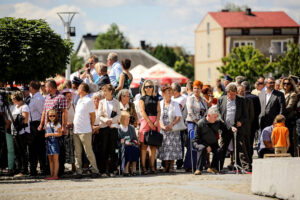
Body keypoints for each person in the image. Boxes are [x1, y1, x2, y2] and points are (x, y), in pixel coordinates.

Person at [217, 83, 251, 172]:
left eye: (233, 94)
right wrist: (227, 125)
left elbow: (245, 115)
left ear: (236, 93)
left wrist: (241, 122)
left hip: (237, 127)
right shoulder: (221, 99)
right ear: (227, 92)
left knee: (241, 147)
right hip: (225, 127)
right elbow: (219, 114)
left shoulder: (241, 100)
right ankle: (218, 167)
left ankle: (246, 167)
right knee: (223, 148)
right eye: (230, 94)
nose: (231, 96)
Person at [38, 79, 68, 176]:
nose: (45, 88)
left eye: (46, 87)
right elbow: (44, 111)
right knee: (50, 150)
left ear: (50, 88)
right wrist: (41, 124)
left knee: (59, 150)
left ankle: (59, 172)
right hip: (48, 127)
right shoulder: (47, 97)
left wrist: (63, 126)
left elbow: (64, 112)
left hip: (57, 127)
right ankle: (51, 172)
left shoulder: (61, 97)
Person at [73, 83, 99, 179]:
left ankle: (95, 170)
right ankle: (78, 171)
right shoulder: (79, 100)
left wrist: (91, 125)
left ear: (83, 90)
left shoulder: (88, 101)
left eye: (79, 87)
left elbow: (93, 115)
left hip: (85, 130)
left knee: (88, 151)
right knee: (77, 152)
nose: (77, 88)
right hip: (76, 130)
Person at [193, 106, 228, 175]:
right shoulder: (200, 123)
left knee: (219, 150)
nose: (216, 118)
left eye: (217, 117)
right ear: (208, 115)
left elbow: (226, 128)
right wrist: (206, 146)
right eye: (215, 117)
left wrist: (232, 128)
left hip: (213, 143)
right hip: (200, 143)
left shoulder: (217, 122)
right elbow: (197, 138)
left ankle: (212, 168)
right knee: (202, 148)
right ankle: (198, 169)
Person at [98, 84, 121, 177]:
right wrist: (105, 120)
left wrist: (111, 120)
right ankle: (103, 170)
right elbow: (99, 115)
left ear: (111, 92)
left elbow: (119, 115)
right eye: (103, 91)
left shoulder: (116, 102)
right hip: (104, 128)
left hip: (113, 128)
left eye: (105, 91)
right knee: (103, 150)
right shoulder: (101, 102)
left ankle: (112, 170)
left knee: (113, 150)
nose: (104, 93)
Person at [184, 80, 207, 171]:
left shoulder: (203, 100)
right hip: (192, 123)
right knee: (192, 144)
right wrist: (197, 121)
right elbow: (190, 112)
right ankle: (189, 165)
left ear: (201, 89)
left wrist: (203, 121)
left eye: (198, 88)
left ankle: (200, 165)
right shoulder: (190, 98)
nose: (196, 90)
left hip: (201, 124)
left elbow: (206, 111)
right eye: (195, 88)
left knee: (201, 144)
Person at [139, 80, 161, 174]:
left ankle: (152, 167)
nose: (148, 88)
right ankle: (144, 167)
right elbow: (142, 111)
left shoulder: (156, 98)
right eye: (146, 87)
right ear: (143, 88)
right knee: (144, 146)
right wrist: (149, 122)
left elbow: (159, 111)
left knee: (153, 146)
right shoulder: (142, 98)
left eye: (150, 86)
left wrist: (157, 120)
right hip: (146, 121)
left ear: (153, 87)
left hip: (155, 121)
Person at [159, 86, 182, 173]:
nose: (169, 94)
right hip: (163, 128)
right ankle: (166, 165)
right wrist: (162, 126)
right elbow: (158, 117)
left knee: (173, 148)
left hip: (173, 128)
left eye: (170, 92)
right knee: (164, 147)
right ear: (163, 94)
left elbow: (178, 116)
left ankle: (172, 165)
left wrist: (171, 124)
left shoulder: (175, 103)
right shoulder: (160, 103)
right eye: (167, 92)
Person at [10, 91, 31, 176]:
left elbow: (25, 121)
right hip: (15, 132)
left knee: (22, 151)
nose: (12, 101)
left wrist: (18, 127)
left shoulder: (25, 107)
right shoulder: (16, 107)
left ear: (15, 99)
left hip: (22, 132)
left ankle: (24, 170)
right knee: (17, 152)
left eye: (13, 99)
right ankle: (18, 169)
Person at [28, 81, 46, 176]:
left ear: (33, 87)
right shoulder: (33, 97)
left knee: (39, 148)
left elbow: (42, 112)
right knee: (32, 148)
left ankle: (42, 168)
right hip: (32, 124)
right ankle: (33, 169)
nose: (29, 88)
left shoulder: (38, 98)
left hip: (37, 124)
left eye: (30, 86)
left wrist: (41, 124)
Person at [242, 81, 261, 160]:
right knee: (251, 141)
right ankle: (249, 158)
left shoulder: (241, 97)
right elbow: (259, 110)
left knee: (243, 142)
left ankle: (245, 158)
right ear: (250, 88)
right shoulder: (255, 97)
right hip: (253, 123)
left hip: (242, 123)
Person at [281, 77, 298, 156]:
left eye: (288, 83)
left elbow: (290, 107)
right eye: (284, 83)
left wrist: (279, 112)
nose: (286, 85)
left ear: (291, 85)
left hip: (288, 119)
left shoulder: (293, 94)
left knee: (289, 138)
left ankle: (290, 154)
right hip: (280, 120)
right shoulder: (280, 93)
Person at [171, 82, 187, 169]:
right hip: (171, 124)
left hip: (179, 124)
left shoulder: (183, 98)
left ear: (175, 90)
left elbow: (176, 110)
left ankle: (179, 162)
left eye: (171, 89)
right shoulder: (172, 98)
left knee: (180, 144)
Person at [118, 111, 139, 176]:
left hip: (131, 144)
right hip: (122, 146)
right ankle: (126, 168)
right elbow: (118, 140)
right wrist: (124, 142)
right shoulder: (118, 129)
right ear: (122, 119)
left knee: (135, 149)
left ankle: (133, 168)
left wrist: (132, 142)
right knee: (128, 149)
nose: (128, 120)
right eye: (127, 119)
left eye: (128, 118)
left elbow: (135, 139)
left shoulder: (131, 127)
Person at [237, 85, 254, 163]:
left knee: (247, 145)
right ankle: (237, 162)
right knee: (237, 146)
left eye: (243, 90)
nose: (242, 92)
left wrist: (247, 124)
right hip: (236, 126)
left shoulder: (248, 100)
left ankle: (248, 161)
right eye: (240, 90)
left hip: (246, 127)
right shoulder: (234, 100)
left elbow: (251, 115)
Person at [44, 109, 62, 180]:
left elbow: (60, 134)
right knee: (50, 159)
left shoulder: (57, 124)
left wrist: (49, 134)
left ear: (56, 116)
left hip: (54, 142)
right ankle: (51, 174)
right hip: (48, 142)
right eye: (50, 115)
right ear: (48, 116)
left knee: (55, 159)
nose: (52, 117)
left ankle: (55, 175)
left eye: (53, 115)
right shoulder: (47, 124)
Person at [61, 89, 76, 171]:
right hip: (64, 131)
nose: (69, 98)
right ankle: (62, 167)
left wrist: (73, 124)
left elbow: (77, 117)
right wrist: (66, 124)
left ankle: (74, 167)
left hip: (72, 131)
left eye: (70, 96)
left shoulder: (74, 106)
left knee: (73, 149)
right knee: (64, 149)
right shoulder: (62, 107)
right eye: (67, 96)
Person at [91, 91, 104, 170]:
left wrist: (98, 127)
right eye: (94, 99)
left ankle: (100, 167)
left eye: (98, 99)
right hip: (91, 130)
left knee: (100, 150)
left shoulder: (102, 109)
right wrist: (92, 127)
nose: (96, 100)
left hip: (101, 130)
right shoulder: (90, 109)